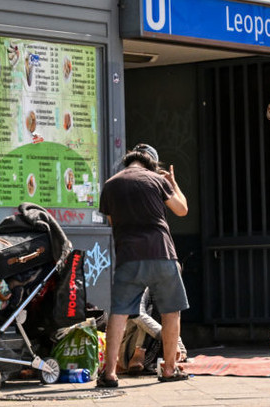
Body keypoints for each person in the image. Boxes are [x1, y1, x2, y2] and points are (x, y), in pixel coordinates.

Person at [96, 143, 189, 387]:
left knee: (119, 313)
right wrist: (172, 182)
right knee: (171, 312)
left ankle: (109, 374)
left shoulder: (110, 184)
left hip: (129, 256)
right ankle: (169, 369)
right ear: (152, 165)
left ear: (128, 161)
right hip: (162, 253)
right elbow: (182, 209)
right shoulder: (157, 181)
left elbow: (111, 221)